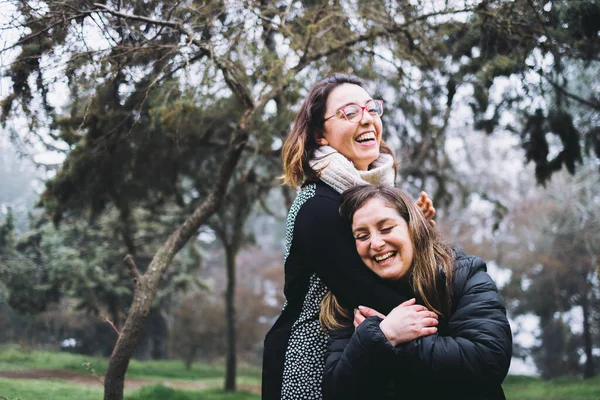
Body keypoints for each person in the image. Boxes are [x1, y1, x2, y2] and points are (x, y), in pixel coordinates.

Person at [261, 73, 434, 399]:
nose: (366, 119)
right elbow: (372, 293)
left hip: (361, 350)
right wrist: (456, 328)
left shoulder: (367, 196)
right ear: (319, 135)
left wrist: (417, 232)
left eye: (371, 109)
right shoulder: (320, 207)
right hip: (314, 362)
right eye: (349, 113)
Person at [322, 184, 513, 400]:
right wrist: (381, 335)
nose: (375, 243)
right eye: (362, 236)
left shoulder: (461, 274)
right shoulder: (348, 298)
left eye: (386, 229)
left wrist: (399, 339)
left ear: (412, 227)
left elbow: (489, 360)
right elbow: (337, 391)